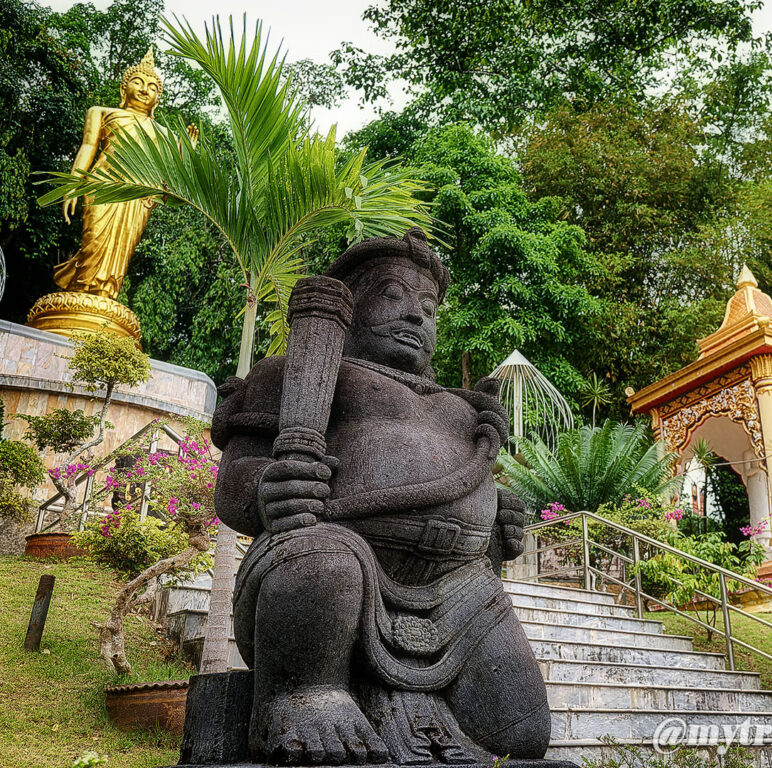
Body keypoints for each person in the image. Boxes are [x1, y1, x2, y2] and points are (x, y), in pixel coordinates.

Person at [211, 228, 549, 765]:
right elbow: (236, 479)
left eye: (430, 308)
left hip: (455, 589)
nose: (417, 316)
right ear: (348, 307)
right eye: (393, 295)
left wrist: (495, 527)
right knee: (324, 561)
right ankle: (298, 696)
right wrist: (266, 487)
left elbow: (463, 489)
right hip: (335, 559)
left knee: (522, 733)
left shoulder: (460, 409)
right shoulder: (307, 373)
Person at [55, 47, 197, 299]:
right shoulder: (102, 113)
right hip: (103, 185)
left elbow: (172, 180)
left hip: (137, 196)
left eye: (152, 87)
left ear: (157, 99)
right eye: (138, 82)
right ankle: (82, 288)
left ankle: (107, 295)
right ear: (123, 89)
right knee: (94, 241)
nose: (144, 89)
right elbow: (88, 147)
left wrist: (186, 154)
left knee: (122, 249)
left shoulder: (165, 134)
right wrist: (73, 184)